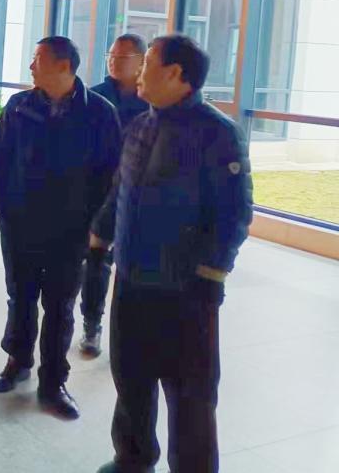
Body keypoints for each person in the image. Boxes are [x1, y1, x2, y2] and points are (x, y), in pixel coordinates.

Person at [92, 35, 252, 473]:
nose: (139, 72)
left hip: (185, 290)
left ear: (176, 74)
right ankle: (133, 456)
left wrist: (210, 276)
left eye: (148, 63)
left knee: (190, 395)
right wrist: (100, 236)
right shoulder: (140, 126)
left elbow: (234, 214)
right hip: (131, 280)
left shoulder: (216, 133)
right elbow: (120, 189)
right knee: (131, 377)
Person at [0, 36, 120, 419]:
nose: (31, 66)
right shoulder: (19, 106)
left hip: (71, 229)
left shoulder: (99, 113)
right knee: (21, 296)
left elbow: (111, 174)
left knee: (60, 305)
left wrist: (97, 226)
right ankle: (17, 360)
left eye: (38, 59)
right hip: (20, 222)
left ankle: (53, 382)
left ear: (64, 66)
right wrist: (1, 208)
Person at [79, 33, 149, 357]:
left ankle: (131, 334)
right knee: (95, 262)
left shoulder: (151, 101)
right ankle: (91, 324)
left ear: (141, 62)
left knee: (134, 268)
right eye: (111, 55)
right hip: (99, 193)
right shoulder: (94, 97)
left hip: (137, 197)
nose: (113, 62)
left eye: (122, 57)